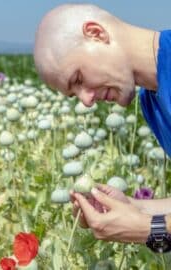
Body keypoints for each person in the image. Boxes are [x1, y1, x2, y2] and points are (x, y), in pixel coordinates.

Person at [34, 4, 171, 252]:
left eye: (78, 79)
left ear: (96, 33)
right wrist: (133, 208)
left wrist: (149, 229)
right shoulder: (151, 101)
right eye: (74, 94)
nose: (86, 101)